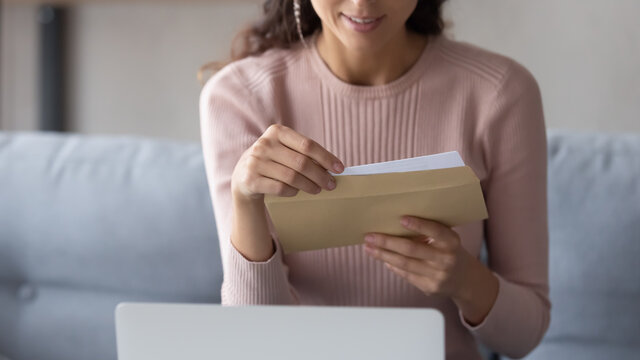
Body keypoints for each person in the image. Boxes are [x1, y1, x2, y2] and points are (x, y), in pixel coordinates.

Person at [199, 0, 550, 359]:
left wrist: (464, 280)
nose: (362, 3)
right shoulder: (240, 97)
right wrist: (246, 201)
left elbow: (526, 334)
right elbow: (254, 339)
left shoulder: (499, 93)